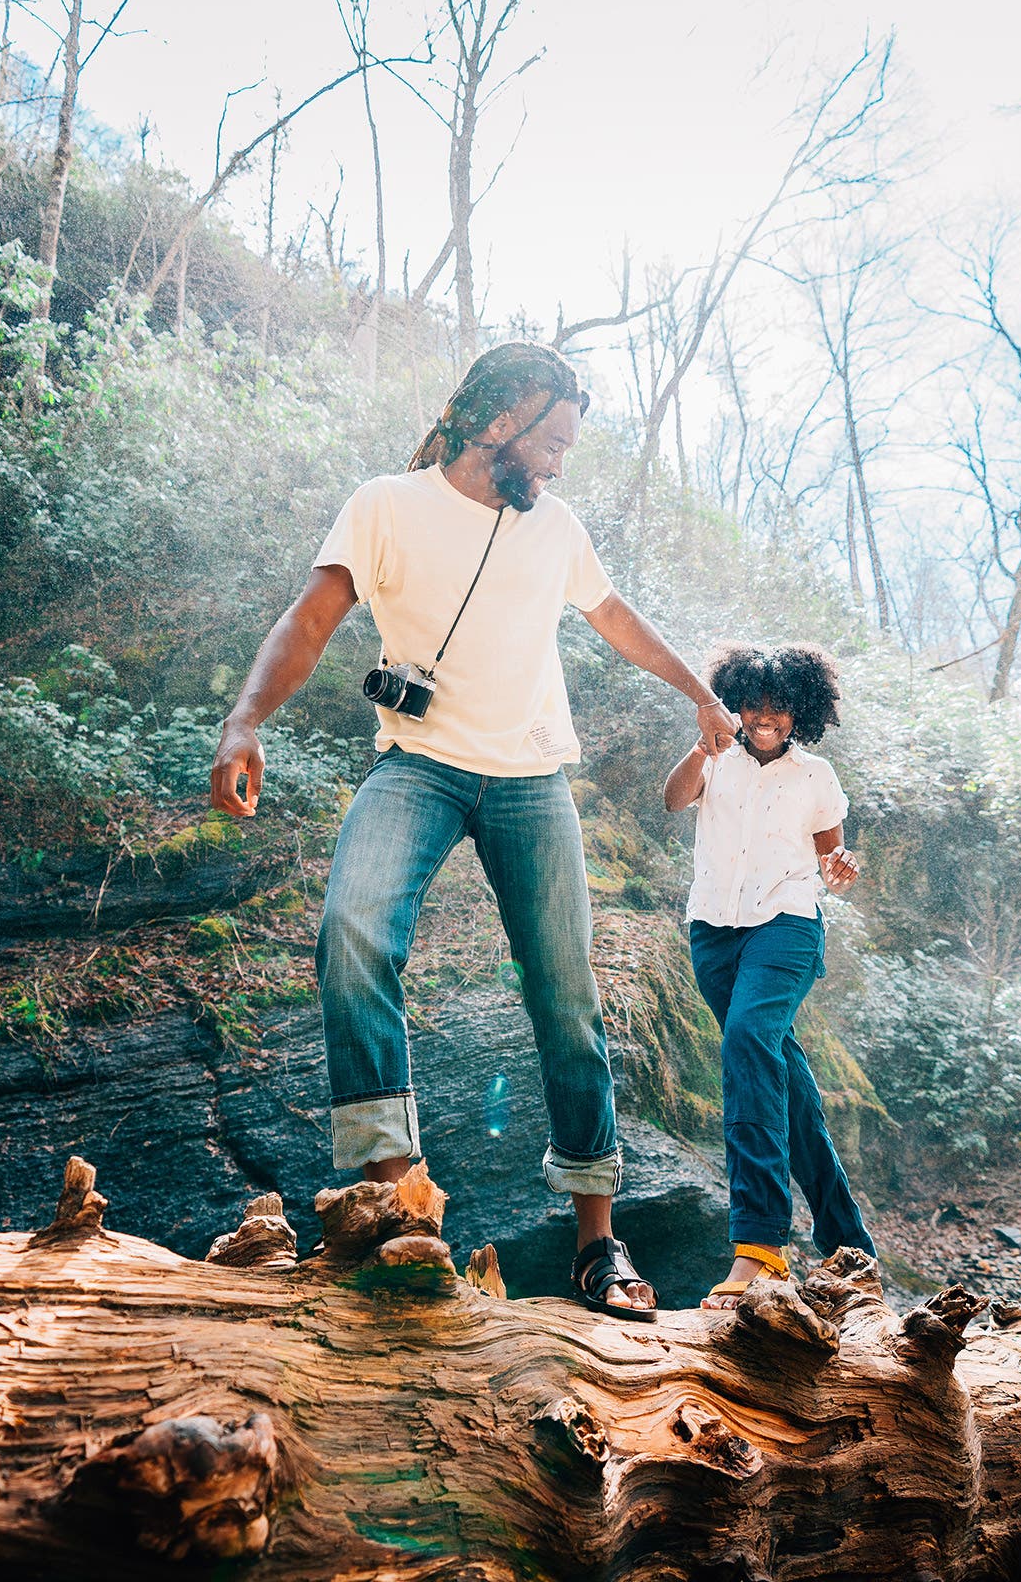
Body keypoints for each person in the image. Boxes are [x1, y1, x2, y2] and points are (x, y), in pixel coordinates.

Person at [209, 341, 740, 1319]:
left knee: (567, 998)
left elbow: (614, 617)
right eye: (552, 443)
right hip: (417, 767)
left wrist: (698, 691)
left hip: (532, 778)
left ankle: (598, 1244)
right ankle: (397, 1195)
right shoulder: (386, 505)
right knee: (352, 934)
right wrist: (245, 720)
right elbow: (315, 614)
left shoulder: (559, 528)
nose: (558, 465)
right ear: (498, 423)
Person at [660, 642, 875, 1308]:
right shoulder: (713, 760)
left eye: (779, 709)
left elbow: (831, 856)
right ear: (737, 704)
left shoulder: (815, 776)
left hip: (787, 926)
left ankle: (759, 1248)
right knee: (785, 1086)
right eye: (753, 705)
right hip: (713, 933)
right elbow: (672, 802)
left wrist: (840, 870)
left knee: (749, 1040)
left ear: (800, 711)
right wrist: (702, 746)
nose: (764, 718)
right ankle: (852, 1249)